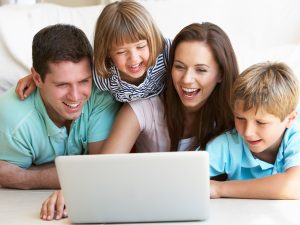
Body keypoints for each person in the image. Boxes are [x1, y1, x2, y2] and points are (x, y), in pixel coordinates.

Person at [40, 22, 239, 220]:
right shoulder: (144, 107)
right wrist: (73, 192)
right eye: (179, 67)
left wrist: (220, 189)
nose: (187, 79)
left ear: (220, 73)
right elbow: (103, 168)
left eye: (201, 70)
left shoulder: (237, 114)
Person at [0, 24, 119, 189]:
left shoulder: (101, 95)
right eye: (62, 85)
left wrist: (30, 177)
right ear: (37, 78)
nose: (75, 96)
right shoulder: (14, 119)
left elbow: (100, 172)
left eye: (84, 81)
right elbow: (6, 176)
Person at [16, 0, 171, 102]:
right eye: (122, 52)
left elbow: (191, 56)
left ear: (151, 40)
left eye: (140, 46)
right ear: (108, 52)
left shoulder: (165, 53)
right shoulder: (102, 74)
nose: (134, 58)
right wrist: (34, 78)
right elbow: (71, 72)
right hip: (131, 116)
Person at [207, 62, 300, 199]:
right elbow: (183, 176)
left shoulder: (295, 135)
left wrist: (220, 189)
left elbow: (293, 187)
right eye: (240, 118)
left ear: (290, 119)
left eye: (261, 122)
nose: (247, 132)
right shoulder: (228, 143)